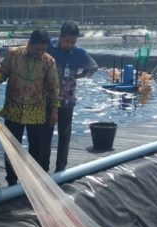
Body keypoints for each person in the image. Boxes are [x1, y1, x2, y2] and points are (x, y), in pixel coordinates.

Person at [0, 30, 60, 187]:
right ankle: (12, 180)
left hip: (36, 109)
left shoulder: (49, 61)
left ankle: (34, 181)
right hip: (14, 108)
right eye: (37, 49)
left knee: (36, 148)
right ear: (29, 44)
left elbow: (54, 88)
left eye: (43, 50)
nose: (40, 53)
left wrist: (54, 110)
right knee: (12, 147)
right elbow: (2, 73)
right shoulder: (14, 54)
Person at [45, 21, 98, 173]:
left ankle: (60, 168)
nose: (69, 44)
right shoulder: (49, 47)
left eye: (73, 42)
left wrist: (78, 76)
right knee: (46, 135)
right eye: (67, 41)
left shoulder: (78, 53)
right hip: (47, 100)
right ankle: (43, 167)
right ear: (60, 36)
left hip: (67, 101)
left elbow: (93, 67)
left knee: (64, 135)